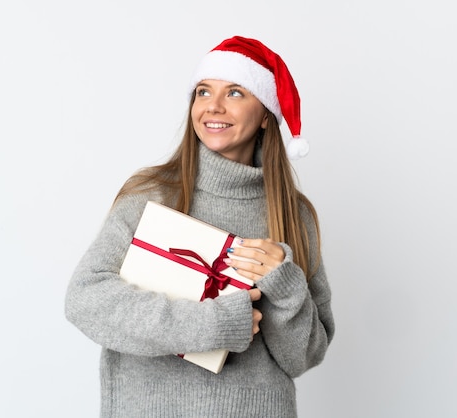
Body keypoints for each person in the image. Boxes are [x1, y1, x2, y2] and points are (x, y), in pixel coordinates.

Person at [65, 35, 335, 417]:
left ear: (264, 116)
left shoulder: (294, 215)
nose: (214, 107)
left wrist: (287, 288)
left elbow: (303, 358)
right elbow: (86, 301)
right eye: (204, 92)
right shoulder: (150, 195)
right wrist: (212, 324)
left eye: (236, 92)